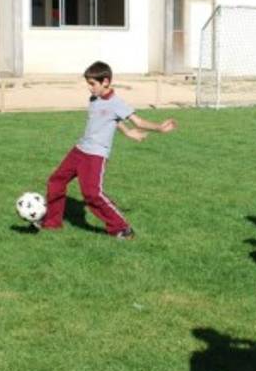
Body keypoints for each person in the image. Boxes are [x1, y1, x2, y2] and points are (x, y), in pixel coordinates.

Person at [41, 61, 176, 238]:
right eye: (88, 84)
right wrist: (126, 131)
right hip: (79, 150)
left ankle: (122, 228)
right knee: (56, 181)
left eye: (92, 84)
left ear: (105, 81)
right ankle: (52, 223)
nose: (90, 88)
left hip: (95, 155)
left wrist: (158, 127)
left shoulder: (117, 103)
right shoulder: (94, 99)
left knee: (92, 194)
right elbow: (114, 120)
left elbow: (139, 122)